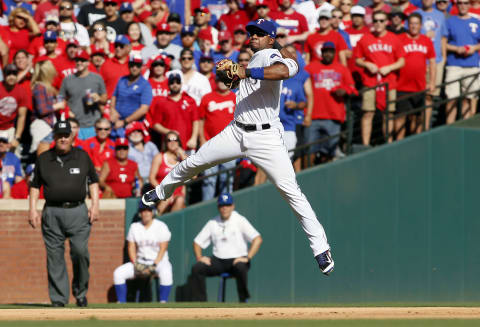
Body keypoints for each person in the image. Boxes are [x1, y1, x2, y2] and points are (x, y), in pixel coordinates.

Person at [143, 19, 335, 275]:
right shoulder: (257, 56)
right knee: (195, 160)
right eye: (251, 32)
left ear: (270, 38)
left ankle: (321, 248)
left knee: (291, 193)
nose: (253, 36)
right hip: (237, 130)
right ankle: (162, 190)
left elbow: (286, 71)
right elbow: (246, 84)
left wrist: (245, 72)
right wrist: (235, 78)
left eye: (259, 33)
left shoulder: (270, 56)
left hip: (266, 138)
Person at [28, 119, 99, 307]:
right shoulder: (44, 159)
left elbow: (93, 181)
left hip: (78, 211)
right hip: (52, 212)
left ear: (72, 136)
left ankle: (81, 292)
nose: (62, 139)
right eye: (59, 135)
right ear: (54, 136)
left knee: (80, 252)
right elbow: (35, 186)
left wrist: (95, 205)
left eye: (66, 135)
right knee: (55, 258)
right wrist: (32, 209)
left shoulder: (82, 156)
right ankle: (59, 299)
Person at [190, 193, 262, 302]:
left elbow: (257, 239)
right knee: (197, 268)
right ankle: (201, 303)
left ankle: (243, 301)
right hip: (218, 260)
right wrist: (199, 257)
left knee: (241, 267)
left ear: (233, 206)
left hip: (237, 259)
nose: (224, 208)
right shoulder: (213, 222)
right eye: (222, 205)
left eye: (227, 205)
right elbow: (197, 242)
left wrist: (247, 258)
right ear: (218, 207)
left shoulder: (239, 220)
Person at [355, 10, 405, 145]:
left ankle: (388, 143)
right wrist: (367, 64)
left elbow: (402, 61)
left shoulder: (394, 38)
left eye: (381, 21)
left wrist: (389, 67)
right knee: (368, 113)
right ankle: (365, 145)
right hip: (370, 81)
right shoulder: (365, 38)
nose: (378, 23)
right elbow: (357, 59)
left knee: (388, 114)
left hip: (389, 82)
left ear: (387, 22)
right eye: (375, 20)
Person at [305, 41, 355, 164]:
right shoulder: (311, 67)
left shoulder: (342, 69)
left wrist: (345, 91)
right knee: (309, 151)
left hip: (333, 116)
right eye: (325, 51)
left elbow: (352, 87)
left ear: (335, 53)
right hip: (313, 116)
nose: (328, 54)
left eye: (330, 52)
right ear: (321, 53)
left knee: (329, 152)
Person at [113, 201, 173, 303]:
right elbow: (131, 247)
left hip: (159, 262)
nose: (146, 213)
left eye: (148, 210)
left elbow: (163, 248)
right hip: (140, 262)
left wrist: (154, 265)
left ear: (152, 212)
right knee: (118, 273)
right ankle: (121, 303)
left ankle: (163, 302)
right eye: (143, 210)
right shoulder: (135, 227)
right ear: (140, 213)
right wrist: (135, 263)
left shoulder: (161, 226)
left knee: (166, 272)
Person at [396, 13, 436, 140]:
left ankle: (416, 144)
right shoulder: (400, 39)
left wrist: (432, 82)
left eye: (416, 23)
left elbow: (433, 62)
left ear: (421, 25)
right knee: (400, 118)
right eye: (411, 23)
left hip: (420, 86)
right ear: (407, 24)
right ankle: (398, 146)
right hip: (402, 85)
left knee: (417, 118)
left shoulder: (426, 40)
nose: (414, 26)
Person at [199, 77, 237, 201]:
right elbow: (200, 120)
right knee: (209, 180)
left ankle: (226, 206)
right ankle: (206, 208)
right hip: (210, 145)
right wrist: (202, 139)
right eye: (220, 79)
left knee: (226, 179)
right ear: (215, 81)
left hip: (230, 145)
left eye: (225, 78)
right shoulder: (207, 98)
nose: (222, 82)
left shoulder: (236, 97)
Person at [444, 0, 480, 124]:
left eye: (465, 3)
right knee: (451, 99)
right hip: (454, 64)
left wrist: (474, 48)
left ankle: (467, 129)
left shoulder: (476, 22)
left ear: (470, 5)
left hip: (472, 64)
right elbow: (443, 43)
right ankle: (449, 130)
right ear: (456, 5)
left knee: (469, 99)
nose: (463, 5)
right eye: (459, 3)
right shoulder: (450, 21)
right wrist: (456, 49)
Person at [59, 50, 107, 140]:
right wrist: (66, 111)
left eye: (82, 60)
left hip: (93, 125)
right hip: (75, 125)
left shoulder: (97, 78)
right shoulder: (68, 79)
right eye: (77, 60)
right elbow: (60, 98)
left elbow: (105, 98)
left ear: (88, 62)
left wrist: (99, 98)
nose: (79, 63)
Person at [415, 0, 448, 130]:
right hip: (419, 61)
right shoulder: (415, 14)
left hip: (436, 60)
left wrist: (444, 57)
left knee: (430, 96)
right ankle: (416, 128)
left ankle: (425, 127)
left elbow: (443, 38)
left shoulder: (440, 16)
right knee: (418, 97)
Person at [110, 53, 152, 138]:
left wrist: (124, 122)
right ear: (129, 65)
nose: (134, 68)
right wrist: (112, 110)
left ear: (141, 67)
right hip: (116, 121)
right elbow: (114, 96)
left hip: (133, 125)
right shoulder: (121, 80)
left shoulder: (145, 85)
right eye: (132, 65)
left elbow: (143, 109)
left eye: (137, 65)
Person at [30, 59, 65, 155]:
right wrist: (57, 106)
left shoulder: (47, 87)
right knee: (43, 160)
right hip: (43, 128)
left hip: (49, 126)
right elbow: (42, 110)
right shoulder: (39, 87)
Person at [148, 131, 186, 214]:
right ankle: (157, 219)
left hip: (177, 194)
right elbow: (151, 178)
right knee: (166, 198)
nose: (172, 143)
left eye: (175, 140)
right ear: (165, 142)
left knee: (180, 200)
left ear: (178, 142)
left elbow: (194, 176)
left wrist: (182, 156)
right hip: (161, 192)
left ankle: (171, 224)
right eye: (169, 140)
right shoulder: (159, 157)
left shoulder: (182, 159)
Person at [0, 64, 28, 152]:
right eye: (8, 74)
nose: (11, 77)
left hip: (10, 128)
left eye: (14, 74)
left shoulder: (21, 91)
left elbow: (21, 116)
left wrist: (17, 137)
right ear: (4, 75)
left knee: (13, 156)